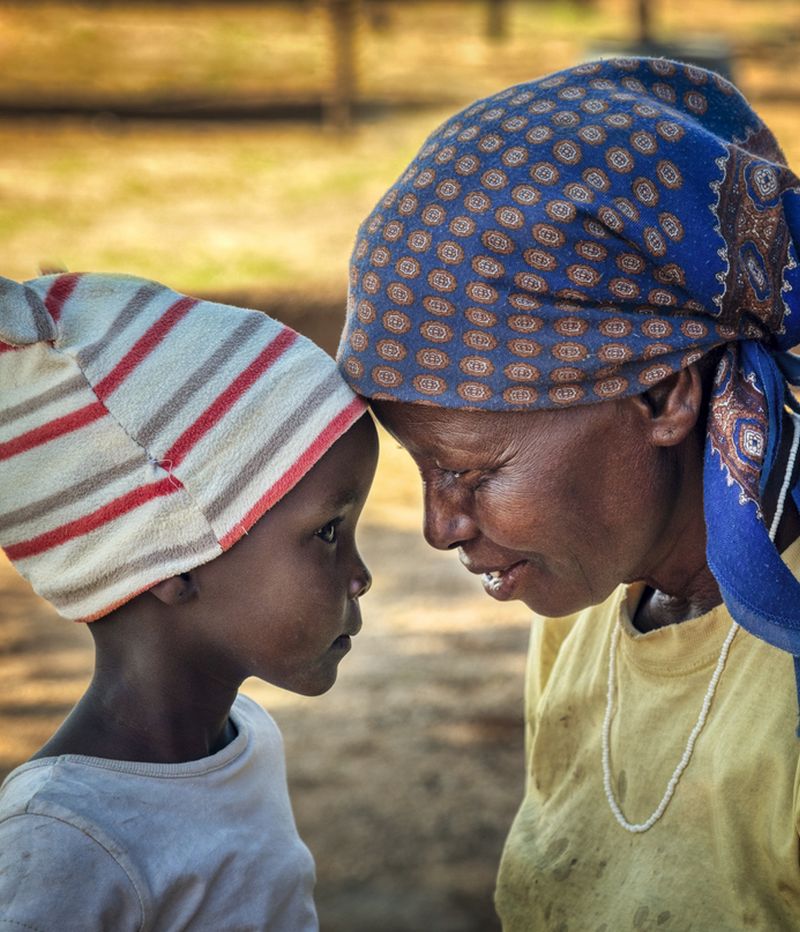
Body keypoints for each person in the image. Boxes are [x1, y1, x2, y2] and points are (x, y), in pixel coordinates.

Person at [337, 57, 800, 928]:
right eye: (422, 467)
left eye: (469, 472)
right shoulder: (585, 622)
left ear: (663, 397)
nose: (441, 528)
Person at [0, 271, 377, 930]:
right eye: (327, 533)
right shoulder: (61, 839)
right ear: (172, 560)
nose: (362, 574)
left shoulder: (244, 739)